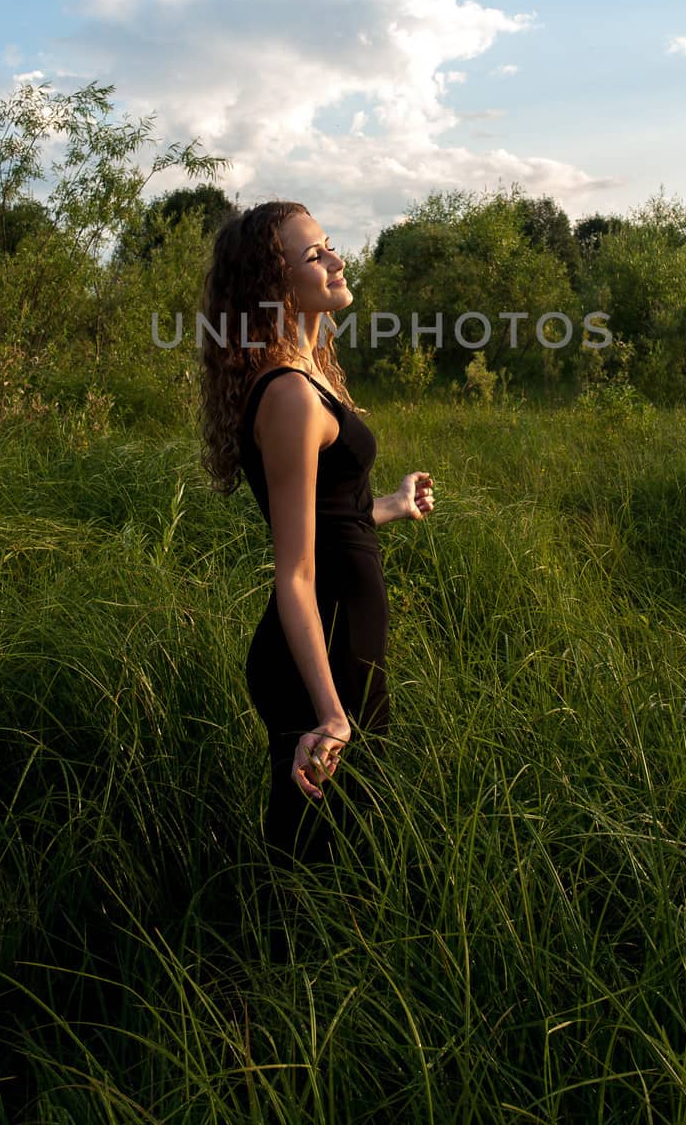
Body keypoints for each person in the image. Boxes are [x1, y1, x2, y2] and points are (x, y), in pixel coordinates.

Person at [200, 200, 434, 874]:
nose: (336, 260)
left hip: (340, 639)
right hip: (319, 648)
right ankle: (269, 965)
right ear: (274, 285)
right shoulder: (291, 396)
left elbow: (327, 518)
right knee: (316, 854)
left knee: (338, 835)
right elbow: (294, 573)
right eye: (314, 255)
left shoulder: (308, 375)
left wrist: (385, 507)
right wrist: (330, 713)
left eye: (329, 246)